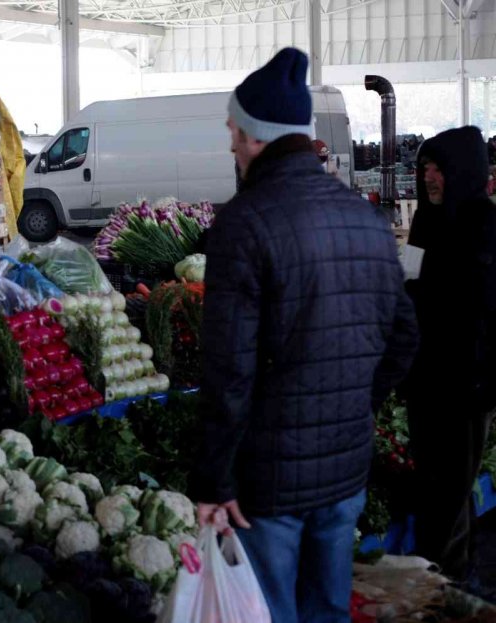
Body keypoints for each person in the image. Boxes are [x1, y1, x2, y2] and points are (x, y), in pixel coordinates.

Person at [190, 48, 419, 623]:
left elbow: (229, 370)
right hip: (345, 470)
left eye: (235, 134)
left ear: (258, 138)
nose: (231, 147)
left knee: (271, 611)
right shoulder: (364, 218)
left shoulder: (244, 224)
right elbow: (404, 337)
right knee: (327, 610)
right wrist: (355, 402)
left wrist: (214, 479)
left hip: (271, 480)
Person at [404, 126, 496, 582]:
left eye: (439, 169)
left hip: (467, 386)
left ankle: (441, 584)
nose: (430, 178)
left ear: (462, 171)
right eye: (425, 169)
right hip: (425, 381)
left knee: (452, 488)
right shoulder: (424, 223)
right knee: (436, 486)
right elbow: (410, 286)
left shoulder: (485, 226)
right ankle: (448, 579)